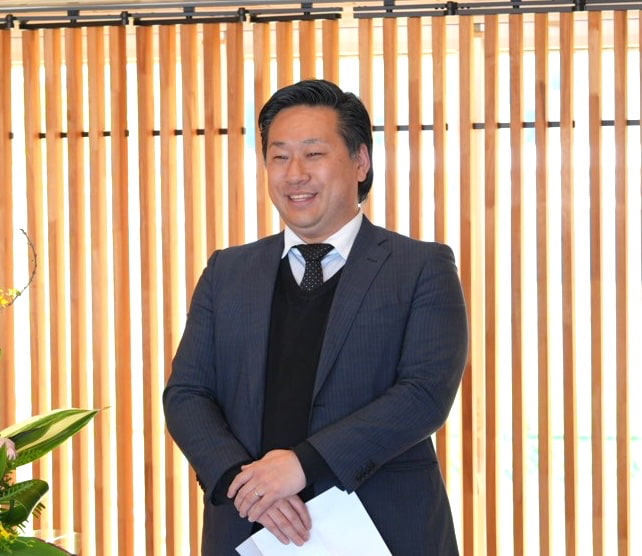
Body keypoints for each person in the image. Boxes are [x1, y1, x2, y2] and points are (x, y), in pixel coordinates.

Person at [163, 78, 468, 555]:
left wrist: (303, 465)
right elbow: (187, 394)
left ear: (361, 162)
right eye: (279, 156)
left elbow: (424, 394)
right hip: (248, 529)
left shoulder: (420, 267)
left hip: (383, 528)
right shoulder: (227, 271)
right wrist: (248, 486)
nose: (294, 174)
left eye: (314, 154)